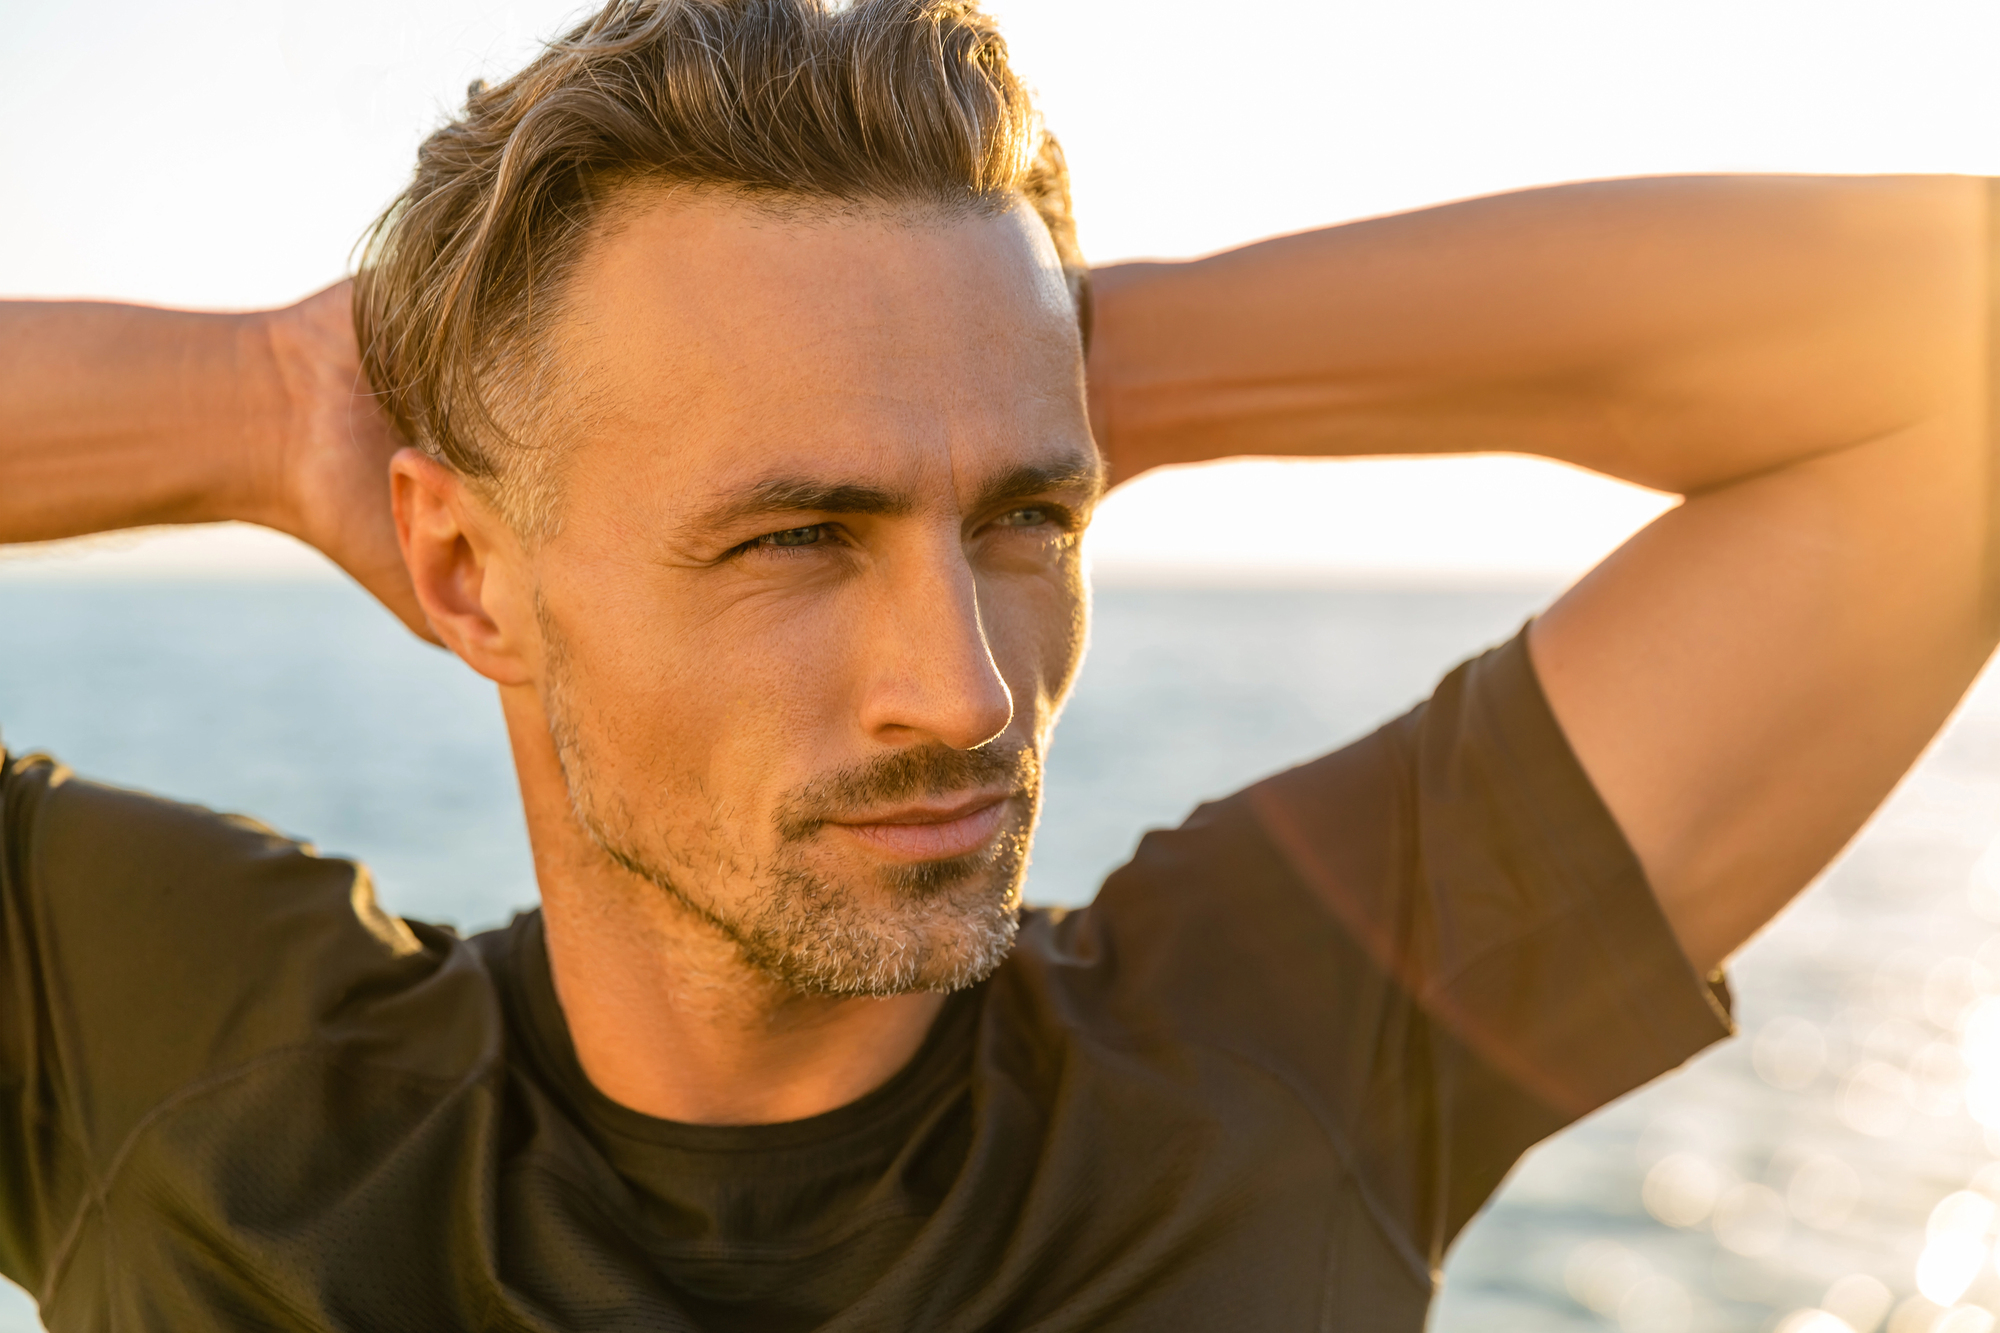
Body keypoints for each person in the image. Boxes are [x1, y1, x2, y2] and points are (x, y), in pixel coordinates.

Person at [0, 0, 1991, 1326]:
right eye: (796, 534)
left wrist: (1060, 348)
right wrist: (264, 400)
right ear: (464, 567)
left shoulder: (1286, 1045)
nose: (962, 694)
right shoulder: (182, 1067)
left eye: (1027, 522)